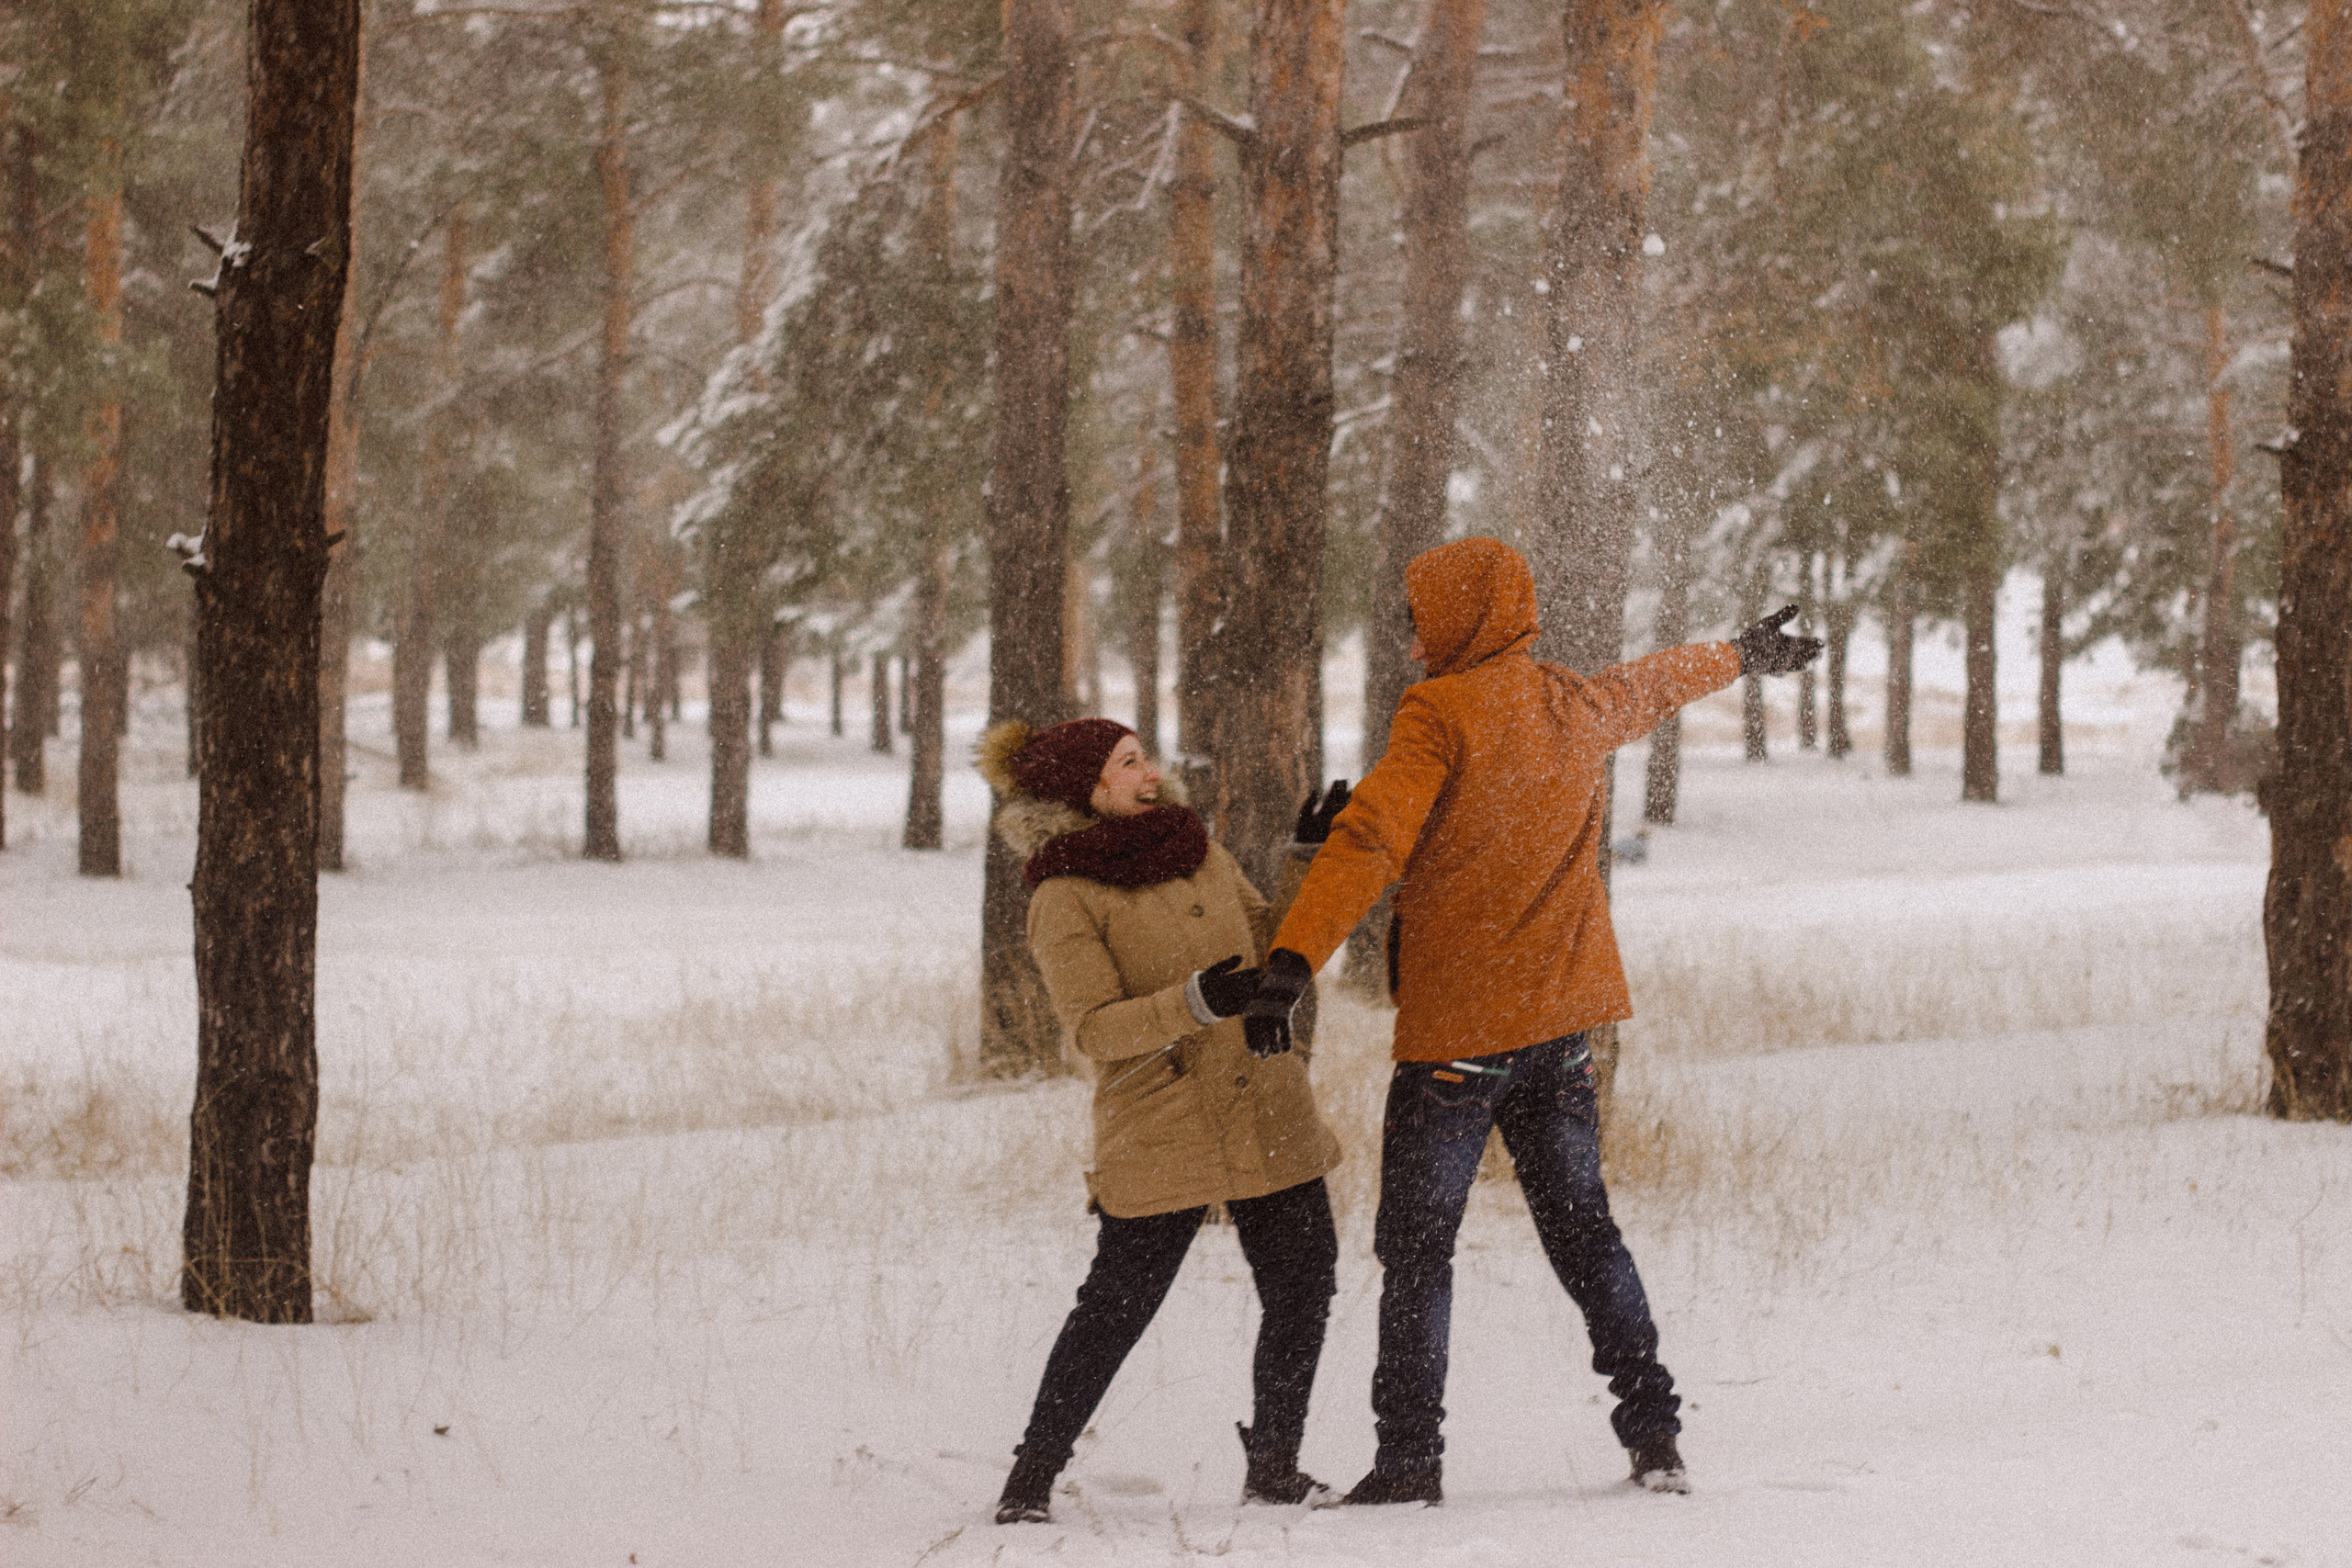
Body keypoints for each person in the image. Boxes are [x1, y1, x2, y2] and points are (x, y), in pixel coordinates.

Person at [1239, 536, 1823, 1506]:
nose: (1410, 628)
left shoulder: (1437, 712)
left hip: (1459, 1043)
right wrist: (1739, 654)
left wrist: (1291, 962)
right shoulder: (1567, 698)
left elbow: (1376, 838)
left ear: (1459, 613)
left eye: (1419, 610)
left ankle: (1409, 1461)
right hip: (1562, 1031)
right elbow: (1653, 683)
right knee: (1584, 1231)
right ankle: (1655, 1435)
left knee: (1418, 1255)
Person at [978, 716, 1353, 1525]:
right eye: (1128, 762)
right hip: (1165, 1116)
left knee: (1305, 1280)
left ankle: (1276, 1466)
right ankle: (1029, 1481)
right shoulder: (1062, 894)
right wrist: (1191, 1003)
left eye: (1144, 756)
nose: (1150, 772)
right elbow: (1093, 1030)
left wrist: (1306, 861)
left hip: (1260, 1096)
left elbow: (1269, 939)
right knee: (1117, 1305)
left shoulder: (1196, 847)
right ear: (1089, 786)